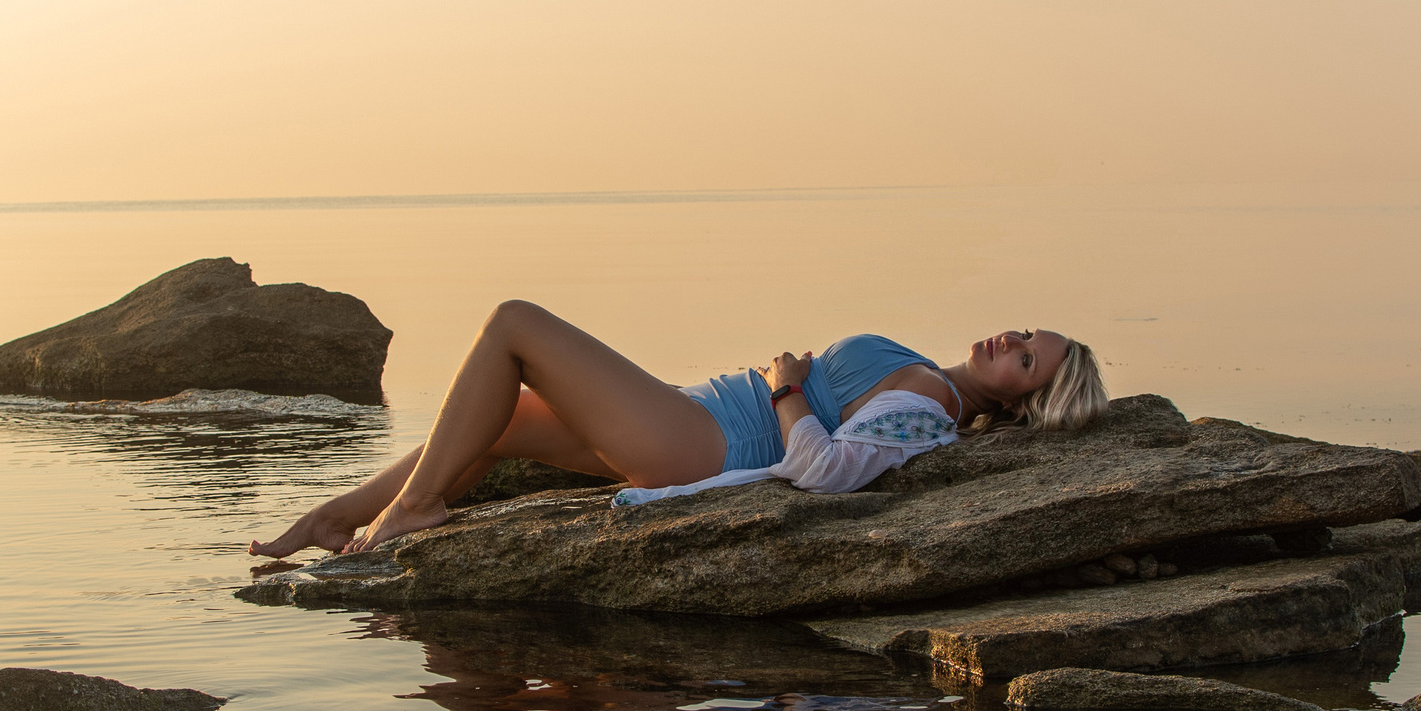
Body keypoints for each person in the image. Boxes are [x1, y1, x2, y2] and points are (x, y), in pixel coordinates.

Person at [247, 301, 1106, 557]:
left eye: (1026, 361)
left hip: (706, 442)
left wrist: (784, 389)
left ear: (1018, 402)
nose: (1012, 342)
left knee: (513, 325)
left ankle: (409, 512)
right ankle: (336, 517)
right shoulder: (927, 368)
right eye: (1026, 334)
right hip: (689, 413)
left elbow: (826, 468)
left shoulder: (931, 410)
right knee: (497, 416)